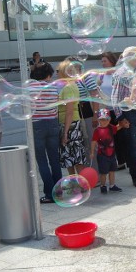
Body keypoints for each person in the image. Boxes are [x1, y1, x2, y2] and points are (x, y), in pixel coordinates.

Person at [111, 44, 136, 188]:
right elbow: (115, 97)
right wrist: (120, 117)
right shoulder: (121, 73)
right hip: (127, 112)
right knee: (132, 146)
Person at [29, 62, 62, 204]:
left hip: (37, 125)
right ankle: (59, 192)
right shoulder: (53, 87)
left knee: (42, 161)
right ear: (48, 74)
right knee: (54, 159)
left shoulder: (30, 88)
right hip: (53, 123)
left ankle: (49, 193)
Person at [57, 59, 89, 175]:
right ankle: (76, 183)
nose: (57, 73)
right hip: (73, 123)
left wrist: (65, 132)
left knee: (73, 155)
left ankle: (78, 184)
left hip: (70, 125)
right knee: (72, 156)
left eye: (58, 70)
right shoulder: (72, 85)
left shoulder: (68, 88)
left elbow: (69, 111)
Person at [90, 109, 128, 194]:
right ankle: (103, 186)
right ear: (98, 120)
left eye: (106, 119)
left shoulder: (110, 127)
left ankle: (112, 185)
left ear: (109, 119)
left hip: (111, 154)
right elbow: (93, 141)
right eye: (102, 119)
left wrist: (123, 124)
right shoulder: (97, 130)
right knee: (103, 173)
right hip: (102, 155)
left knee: (112, 171)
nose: (104, 121)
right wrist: (92, 152)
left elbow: (117, 128)